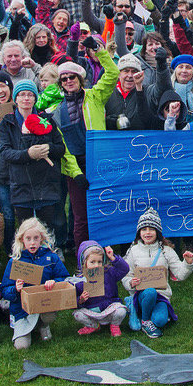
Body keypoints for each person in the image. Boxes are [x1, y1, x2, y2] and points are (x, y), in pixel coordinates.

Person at [53, 38, 119, 249]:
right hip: (76, 168)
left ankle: (105, 254)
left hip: (99, 162)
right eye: (64, 79)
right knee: (80, 215)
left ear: (80, 79)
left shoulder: (95, 96)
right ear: (60, 83)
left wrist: (99, 51)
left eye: (72, 77)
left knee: (103, 210)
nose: (68, 81)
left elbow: (112, 74)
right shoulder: (56, 110)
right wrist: (76, 173)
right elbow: (62, 145)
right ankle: (84, 259)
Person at [0, 81, 67, 229]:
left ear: (35, 98)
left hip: (45, 183)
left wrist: (48, 148)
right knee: (26, 229)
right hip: (21, 183)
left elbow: (61, 149)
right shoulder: (7, 122)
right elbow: (5, 152)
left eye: (30, 95)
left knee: (48, 227)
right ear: (15, 98)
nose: (26, 98)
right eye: (22, 95)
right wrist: (28, 154)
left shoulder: (47, 119)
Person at [123, 208, 193, 338]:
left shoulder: (166, 251)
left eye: (152, 229)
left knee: (160, 321)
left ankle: (149, 315)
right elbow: (125, 275)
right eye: (144, 229)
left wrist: (188, 263)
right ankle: (145, 320)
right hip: (141, 295)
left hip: (161, 296)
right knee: (150, 292)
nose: (148, 233)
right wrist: (130, 282)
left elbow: (180, 274)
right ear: (139, 232)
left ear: (158, 232)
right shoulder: (133, 251)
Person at [1, 217, 70, 350]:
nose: (32, 243)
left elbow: (65, 278)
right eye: (28, 239)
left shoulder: (51, 258)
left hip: (44, 305)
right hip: (21, 310)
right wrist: (15, 289)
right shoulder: (15, 262)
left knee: (48, 315)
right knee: (21, 346)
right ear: (22, 239)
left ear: (42, 239)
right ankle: (26, 328)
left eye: (36, 238)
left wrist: (54, 282)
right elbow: (4, 290)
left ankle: (43, 325)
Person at [72, 241, 130, 337]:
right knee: (77, 314)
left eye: (99, 262)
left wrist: (113, 258)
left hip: (109, 308)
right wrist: (81, 300)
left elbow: (125, 269)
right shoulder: (79, 280)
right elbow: (72, 301)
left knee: (121, 311)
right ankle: (93, 325)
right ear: (84, 263)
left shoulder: (109, 272)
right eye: (92, 262)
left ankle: (115, 324)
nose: (96, 265)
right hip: (91, 310)